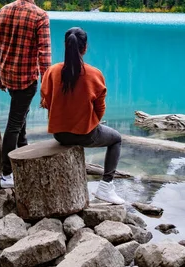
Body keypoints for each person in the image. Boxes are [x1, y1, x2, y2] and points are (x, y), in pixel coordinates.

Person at [41, 26, 124, 205]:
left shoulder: (52, 71)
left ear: (65, 45)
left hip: (60, 135)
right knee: (116, 139)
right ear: (85, 48)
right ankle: (106, 187)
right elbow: (100, 109)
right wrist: (90, 121)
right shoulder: (94, 74)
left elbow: (45, 102)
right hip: (85, 135)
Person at [0, 0, 51, 188]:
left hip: (8, 76)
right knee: (15, 124)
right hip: (26, 80)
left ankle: (22, 155)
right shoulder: (40, 16)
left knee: (20, 117)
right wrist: (47, 86)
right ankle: (7, 174)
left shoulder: (3, 11)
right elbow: (44, 55)